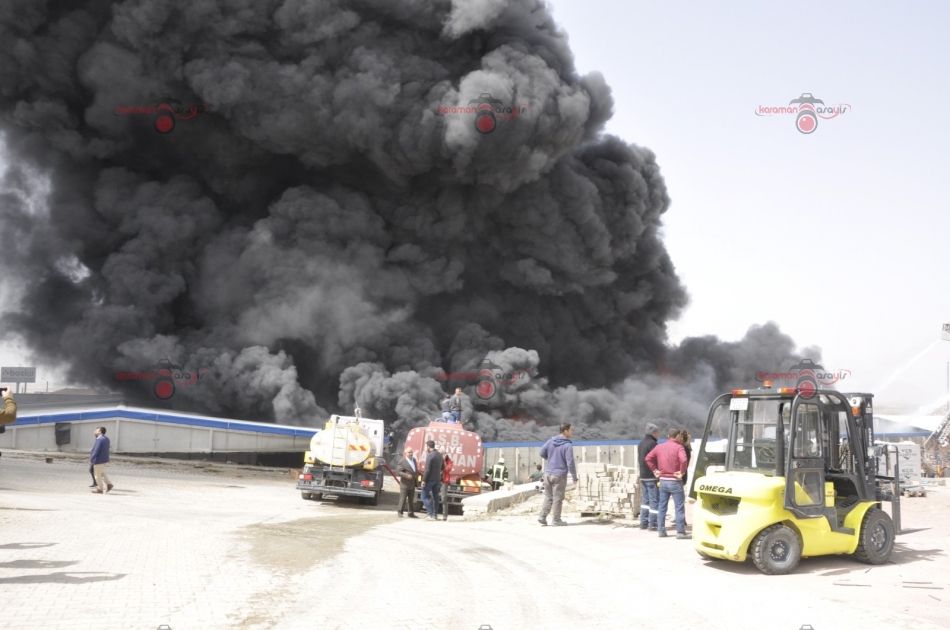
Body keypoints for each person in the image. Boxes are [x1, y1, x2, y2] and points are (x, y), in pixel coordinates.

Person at [645, 428, 690, 539]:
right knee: (679, 507)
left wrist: (655, 470)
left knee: (662, 506)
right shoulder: (679, 447)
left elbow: (648, 458)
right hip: (675, 481)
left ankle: (661, 531)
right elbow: (684, 460)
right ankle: (680, 532)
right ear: (678, 436)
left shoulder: (659, 447)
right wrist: (682, 472)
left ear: (668, 436)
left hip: (663, 481)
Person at [538, 423, 578, 527]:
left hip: (547, 474)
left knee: (548, 496)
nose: (572, 432)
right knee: (558, 498)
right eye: (571, 430)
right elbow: (570, 462)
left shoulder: (550, 441)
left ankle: (542, 516)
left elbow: (541, 453)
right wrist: (574, 477)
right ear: (565, 431)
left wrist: (551, 459)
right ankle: (556, 520)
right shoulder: (567, 445)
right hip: (559, 475)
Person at [638, 423, 660, 531]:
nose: (658, 434)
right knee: (654, 500)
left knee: (645, 500)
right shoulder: (653, 444)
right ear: (653, 433)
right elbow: (656, 460)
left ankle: (643, 523)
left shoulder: (641, 443)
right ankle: (653, 524)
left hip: (643, 475)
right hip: (652, 476)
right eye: (657, 432)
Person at [421, 440, 444, 520]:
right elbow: (443, 467)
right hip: (437, 479)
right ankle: (435, 515)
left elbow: (427, 470)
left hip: (429, 479)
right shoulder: (439, 455)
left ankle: (430, 514)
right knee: (435, 497)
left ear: (428, 447)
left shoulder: (430, 455)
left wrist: (424, 480)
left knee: (424, 496)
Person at [395, 446, 419, 518]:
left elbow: (415, 471)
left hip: (412, 483)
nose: (411, 453)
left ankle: (410, 513)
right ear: (405, 453)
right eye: (409, 452)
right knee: (403, 499)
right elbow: (398, 472)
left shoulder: (414, 460)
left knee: (411, 499)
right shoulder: (402, 461)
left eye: (411, 452)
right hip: (405, 484)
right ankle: (400, 512)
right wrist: (406, 475)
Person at [89, 426, 113, 494]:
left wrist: (91, 459)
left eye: (96, 430)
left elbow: (96, 450)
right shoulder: (106, 439)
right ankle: (109, 484)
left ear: (100, 432)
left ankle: (100, 489)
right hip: (104, 459)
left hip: (99, 460)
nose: (95, 431)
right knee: (101, 473)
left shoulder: (99, 439)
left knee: (97, 475)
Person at [440, 455, 453, 521]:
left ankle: (445, 515)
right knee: (433, 497)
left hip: (444, 481)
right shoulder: (438, 458)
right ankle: (433, 514)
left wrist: (444, 461)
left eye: (444, 455)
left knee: (443, 498)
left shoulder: (449, 461)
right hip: (436, 480)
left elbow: (447, 469)